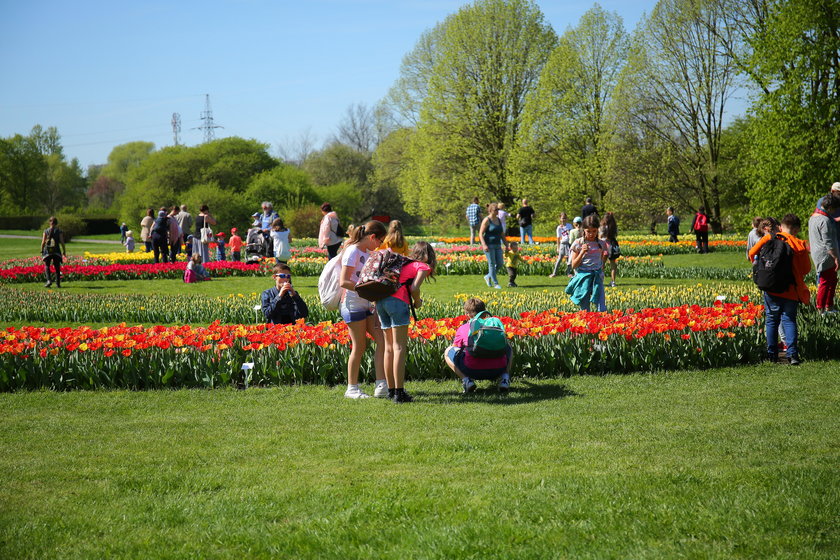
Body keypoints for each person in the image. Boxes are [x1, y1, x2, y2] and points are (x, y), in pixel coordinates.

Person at [376, 241, 436, 403]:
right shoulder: (422, 266)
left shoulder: (402, 262)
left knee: (389, 348)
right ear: (429, 256)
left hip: (381, 301)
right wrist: (417, 302)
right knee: (399, 347)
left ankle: (390, 390)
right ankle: (399, 393)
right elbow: (414, 288)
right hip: (397, 303)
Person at [749, 214, 811, 364]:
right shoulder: (799, 244)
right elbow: (806, 269)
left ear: (781, 226)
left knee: (771, 320)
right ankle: (792, 355)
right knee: (789, 320)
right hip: (791, 288)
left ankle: (772, 355)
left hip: (771, 287)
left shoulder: (770, 237)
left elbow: (752, 253)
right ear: (796, 229)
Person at [339, 220, 388, 399]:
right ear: (372, 237)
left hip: (366, 303)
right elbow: (343, 281)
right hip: (352, 303)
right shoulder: (352, 251)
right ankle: (351, 388)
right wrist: (368, 290)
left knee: (381, 340)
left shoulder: (366, 253)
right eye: (380, 241)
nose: (380, 246)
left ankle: (381, 384)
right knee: (359, 346)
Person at [444, 298, 513, 393]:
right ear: (485, 313)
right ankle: (504, 379)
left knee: (449, 350)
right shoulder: (495, 326)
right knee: (508, 346)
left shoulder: (463, 328)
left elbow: (456, 347)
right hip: (498, 369)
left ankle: (467, 381)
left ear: (467, 314)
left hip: (472, 370)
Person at [565, 214, 608, 311]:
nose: (591, 234)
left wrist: (601, 269)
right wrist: (582, 252)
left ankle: (603, 323)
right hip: (583, 277)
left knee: (601, 307)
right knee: (585, 309)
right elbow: (574, 265)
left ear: (598, 230)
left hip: (597, 277)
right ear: (583, 230)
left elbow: (602, 258)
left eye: (594, 231)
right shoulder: (578, 243)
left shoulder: (601, 244)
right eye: (588, 231)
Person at [809, 192, 840, 314]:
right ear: (830, 208)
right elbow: (829, 242)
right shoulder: (825, 220)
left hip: (818, 252)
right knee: (826, 282)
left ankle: (828, 306)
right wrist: (836, 257)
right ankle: (821, 308)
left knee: (831, 280)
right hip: (826, 255)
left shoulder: (813, 217)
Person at [479, 203, 507, 289]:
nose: (498, 211)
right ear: (491, 210)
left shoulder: (498, 220)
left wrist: (506, 245)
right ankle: (496, 283)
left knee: (500, 263)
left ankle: (488, 276)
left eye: (498, 210)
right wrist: (484, 245)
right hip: (489, 245)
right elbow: (480, 234)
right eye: (496, 210)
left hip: (498, 245)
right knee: (492, 264)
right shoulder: (486, 220)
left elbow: (502, 234)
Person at [40, 216, 66, 288]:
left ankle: (49, 280)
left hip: (48, 251)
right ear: (56, 223)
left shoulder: (46, 231)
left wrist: (42, 250)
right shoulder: (59, 231)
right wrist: (64, 250)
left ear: (49, 222)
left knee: (47, 265)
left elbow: (43, 242)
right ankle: (58, 283)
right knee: (57, 267)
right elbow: (62, 241)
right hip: (56, 251)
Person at [549, 213, 573, 278]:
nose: (564, 219)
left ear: (567, 219)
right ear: (560, 219)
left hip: (569, 244)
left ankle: (568, 273)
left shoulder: (569, 226)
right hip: (562, 244)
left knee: (569, 259)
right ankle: (554, 273)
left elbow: (572, 234)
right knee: (559, 259)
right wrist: (558, 247)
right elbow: (558, 238)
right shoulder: (559, 228)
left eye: (565, 218)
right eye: (562, 218)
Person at [600, 211, 619, 288]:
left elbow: (600, 236)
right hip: (612, 245)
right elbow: (616, 235)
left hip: (604, 246)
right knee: (613, 265)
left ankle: (601, 281)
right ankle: (613, 281)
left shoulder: (603, 226)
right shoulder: (614, 227)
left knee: (602, 264)